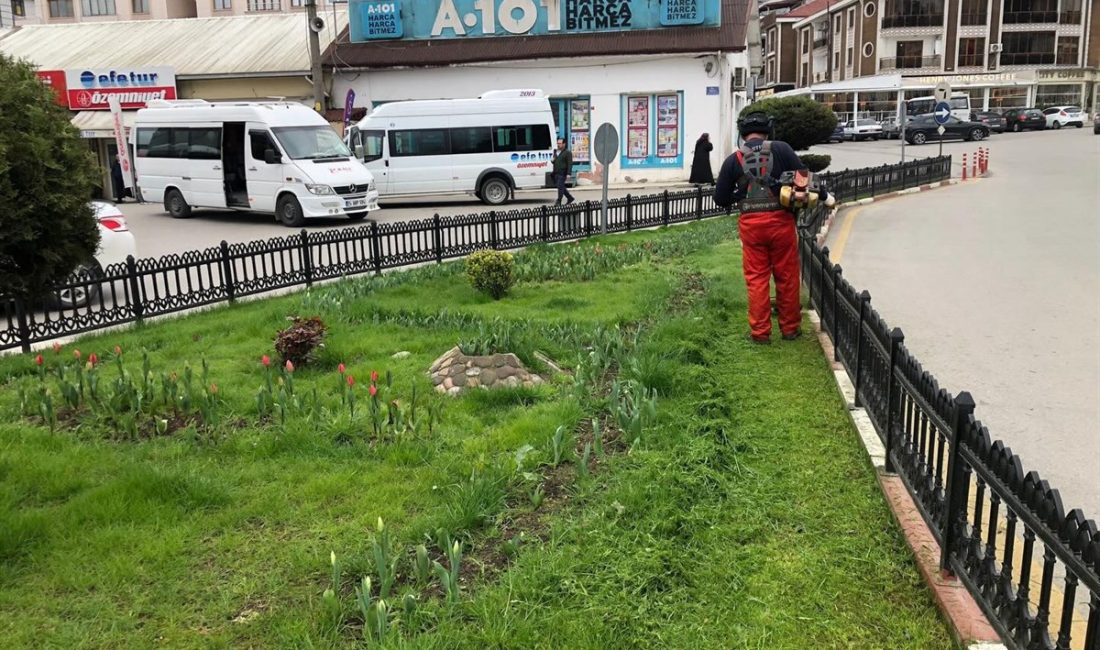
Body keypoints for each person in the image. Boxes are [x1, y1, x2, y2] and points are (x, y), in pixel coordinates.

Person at [714, 112, 835, 344]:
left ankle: (760, 334)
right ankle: (790, 329)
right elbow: (803, 179)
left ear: (743, 134)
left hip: (751, 226)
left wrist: (739, 193)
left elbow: (720, 198)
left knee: (757, 278)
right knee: (787, 275)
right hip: (780, 221)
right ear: (767, 131)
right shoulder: (782, 149)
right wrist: (825, 196)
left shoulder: (733, 160)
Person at [552, 138, 575, 206]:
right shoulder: (556, 152)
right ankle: (570, 198)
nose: (558, 145)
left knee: (560, 186)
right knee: (561, 187)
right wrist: (553, 159)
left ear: (564, 144)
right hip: (556, 172)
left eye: (560, 143)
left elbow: (570, 163)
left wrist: (568, 173)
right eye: (558, 143)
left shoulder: (567, 153)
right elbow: (554, 161)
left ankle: (559, 201)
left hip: (563, 172)